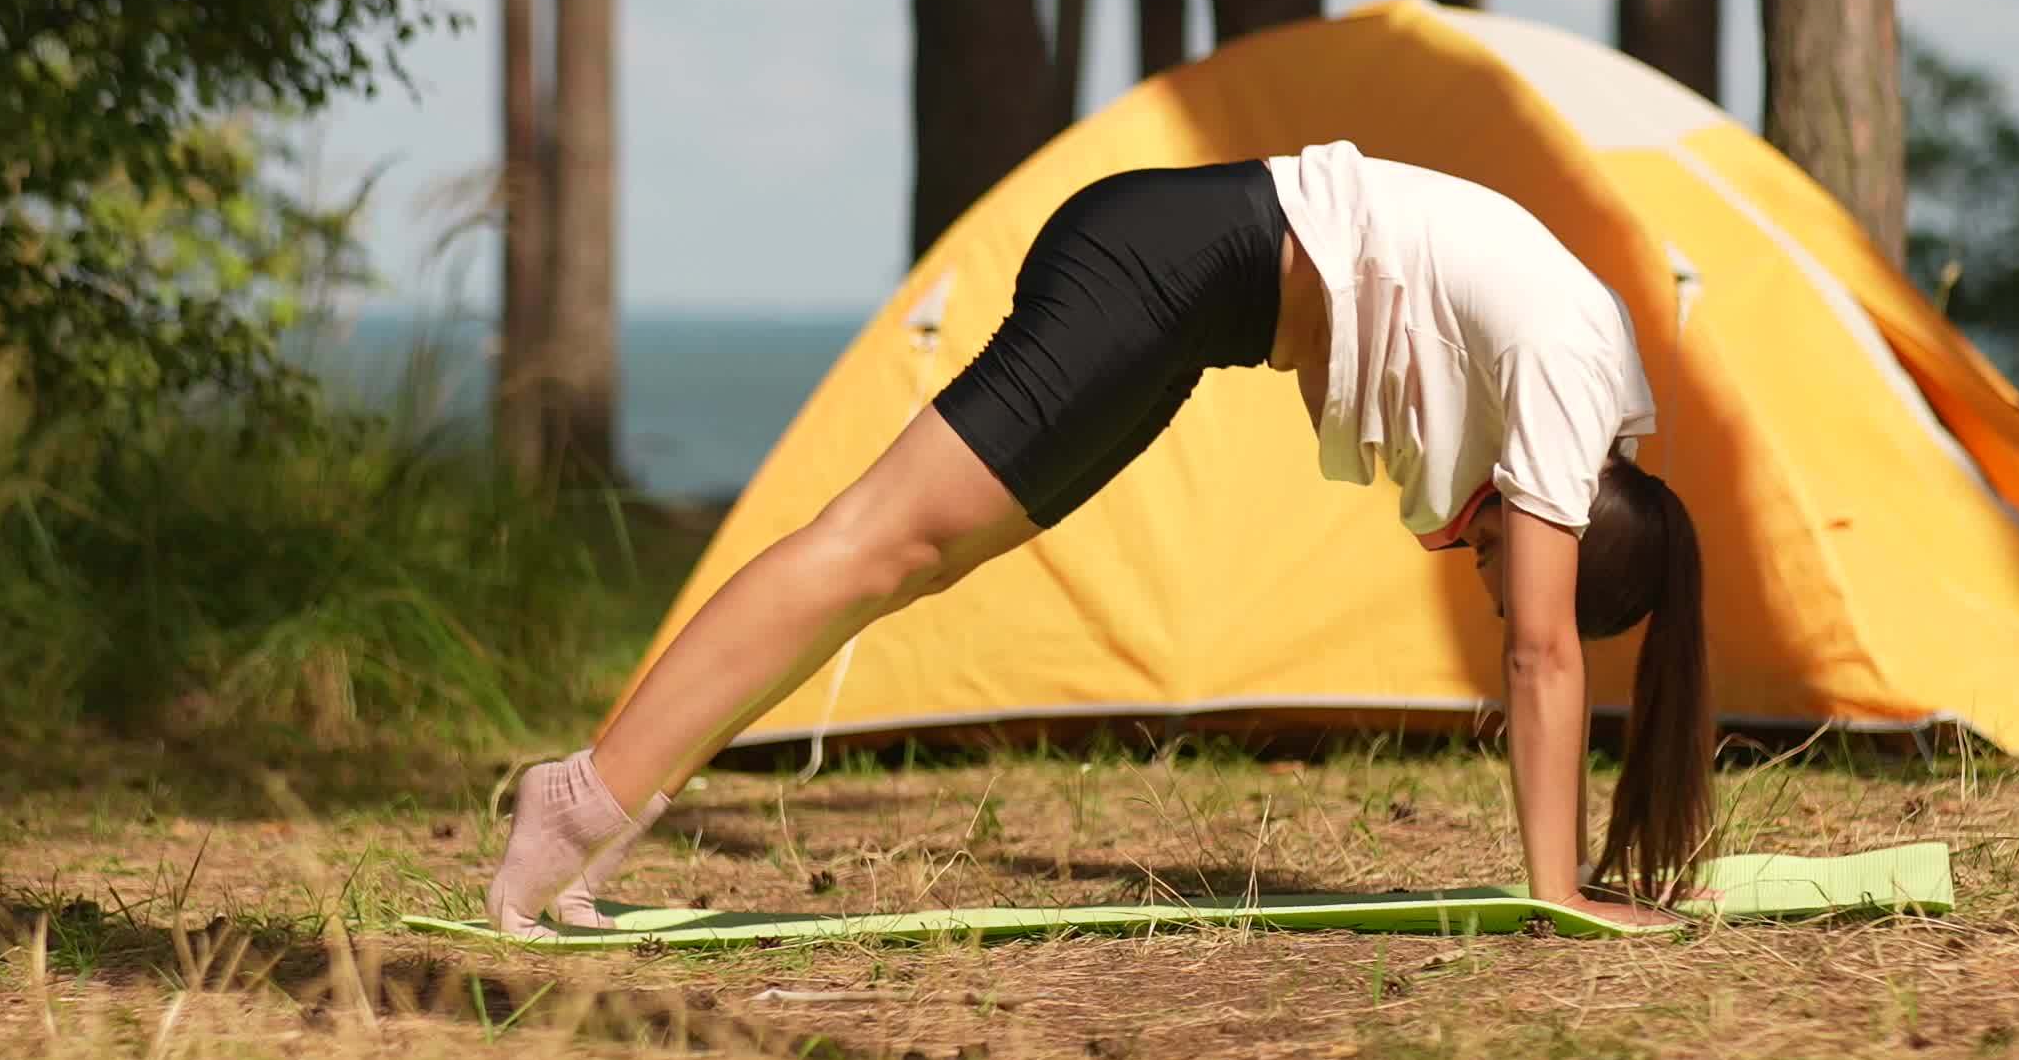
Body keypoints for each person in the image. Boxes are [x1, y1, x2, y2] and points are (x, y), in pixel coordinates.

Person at [483, 139, 1714, 934]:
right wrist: (1557, 894)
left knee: (906, 566)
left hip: (1181, 296)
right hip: (1163, 265)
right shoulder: (1569, 382)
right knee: (875, 544)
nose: (1485, 570)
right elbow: (1546, 656)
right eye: (1503, 569)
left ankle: (604, 819)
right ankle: (578, 803)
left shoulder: (1600, 400)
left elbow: (1556, 608)